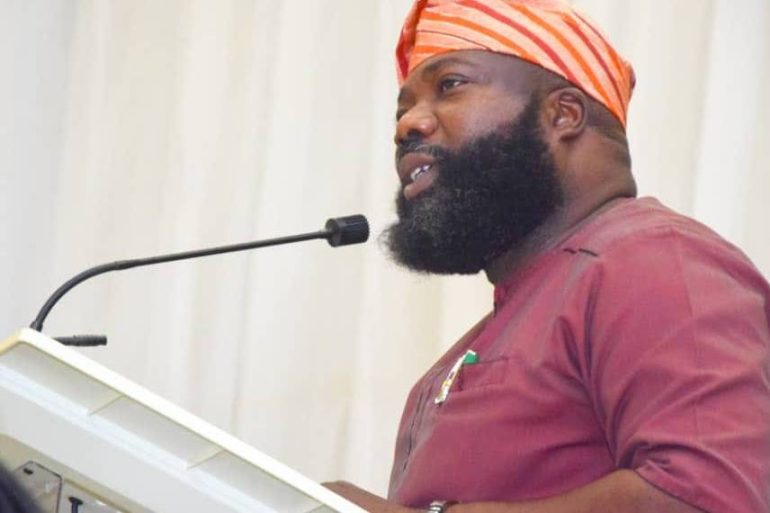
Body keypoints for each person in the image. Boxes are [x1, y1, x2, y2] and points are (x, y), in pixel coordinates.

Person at [326, 1, 770, 512]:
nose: (407, 125)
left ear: (563, 114)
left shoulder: (655, 259)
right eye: (401, 110)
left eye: (450, 85)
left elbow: (710, 498)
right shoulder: (481, 339)